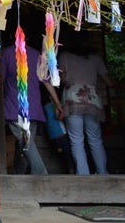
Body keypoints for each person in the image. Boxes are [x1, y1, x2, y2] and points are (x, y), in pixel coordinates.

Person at [0, 36, 62, 175]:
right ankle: (19, 174)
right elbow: (46, 81)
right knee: (25, 143)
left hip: (14, 107)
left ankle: (42, 175)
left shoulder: (7, 53)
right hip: (33, 108)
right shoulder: (36, 55)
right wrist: (57, 103)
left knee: (26, 144)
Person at [58, 34, 113, 175]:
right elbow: (109, 82)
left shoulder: (64, 56)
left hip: (72, 98)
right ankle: (102, 173)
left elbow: (63, 80)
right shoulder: (95, 58)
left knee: (76, 140)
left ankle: (83, 174)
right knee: (95, 139)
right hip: (92, 98)